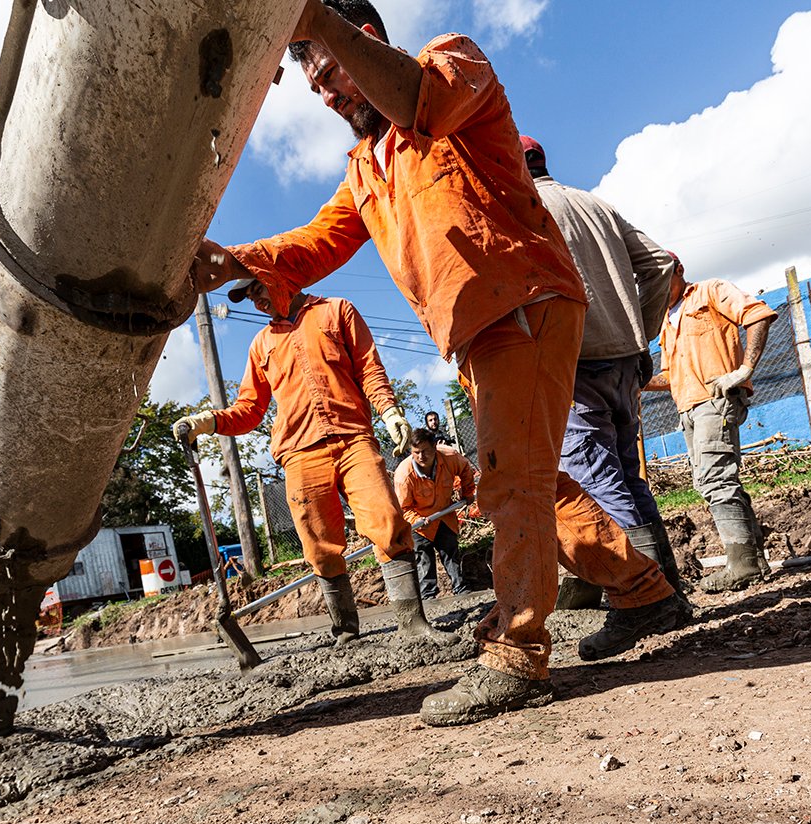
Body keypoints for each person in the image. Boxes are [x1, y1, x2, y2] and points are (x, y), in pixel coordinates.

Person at [190, 0, 685, 727]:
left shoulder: (454, 64)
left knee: (516, 480)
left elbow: (425, 100)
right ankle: (643, 591)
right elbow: (317, 243)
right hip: (480, 335)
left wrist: (315, 21)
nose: (329, 96)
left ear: (365, 39)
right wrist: (235, 258)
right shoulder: (367, 166)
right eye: (316, 88)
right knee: (529, 480)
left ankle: (516, 653)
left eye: (331, 72)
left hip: (524, 303)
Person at [174, 282, 445, 646]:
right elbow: (250, 410)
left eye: (258, 290)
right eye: (249, 298)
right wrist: (207, 421)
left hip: (353, 438)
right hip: (300, 453)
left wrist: (390, 411)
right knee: (318, 545)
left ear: (282, 276)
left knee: (387, 519)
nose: (256, 301)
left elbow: (369, 368)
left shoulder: (336, 310)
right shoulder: (261, 346)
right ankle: (346, 631)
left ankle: (413, 624)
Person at [521, 135, 685, 596]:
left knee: (596, 483)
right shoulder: (596, 205)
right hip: (625, 362)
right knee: (629, 478)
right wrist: (641, 331)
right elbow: (660, 264)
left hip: (575, 365)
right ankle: (666, 586)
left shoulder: (524, 210)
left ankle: (646, 599)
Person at [646, 255, 778, 591]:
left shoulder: (710, 292)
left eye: (659, 278)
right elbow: (669, 375)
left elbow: (758, 315)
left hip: (714, 401)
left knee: (714, 479)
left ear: (678, 271)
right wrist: (635, 381)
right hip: (688, 407)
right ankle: (753, 560)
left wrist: (744, 369)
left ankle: (742, 565)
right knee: (715, 480)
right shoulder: (665, 322)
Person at [393, 426, 476, 599]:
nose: (421, 457)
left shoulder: (450, 457)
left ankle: (461, 590)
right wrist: (418, 519)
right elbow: (403, 508)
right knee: (424, 559)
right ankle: (429, 597)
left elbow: (466, 470)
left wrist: (467, 492)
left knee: (450, 551)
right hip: (420, 523)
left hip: (444, 514)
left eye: (425, 451)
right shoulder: (404, 475)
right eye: (416, 452)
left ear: (434, 447)